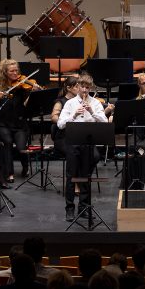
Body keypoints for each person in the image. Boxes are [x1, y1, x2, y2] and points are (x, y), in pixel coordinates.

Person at [56, 73, 108, 220]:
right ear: (78, 87)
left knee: (86, 177)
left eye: (87, 87)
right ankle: (69, 208)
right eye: (82, 87)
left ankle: (83, 208)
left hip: (88, 143)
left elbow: (104, 122)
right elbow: (60, 124)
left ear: (90, 88)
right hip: (72, 142)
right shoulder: (70, 103)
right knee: (71, 176)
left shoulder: (96, 103)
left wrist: (92, 112)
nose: (84, 90)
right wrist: (73, 115)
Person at [0, 59, 31, 187]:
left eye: (16, 70)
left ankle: (25, 167)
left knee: (21, 148)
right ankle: (9, 173)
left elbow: (28, 108)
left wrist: (32, 93)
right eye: (12, 71)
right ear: (4, 73)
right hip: (3, 124)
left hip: (19, 124)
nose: (15, 73)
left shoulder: (23, 87)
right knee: (6, 143)